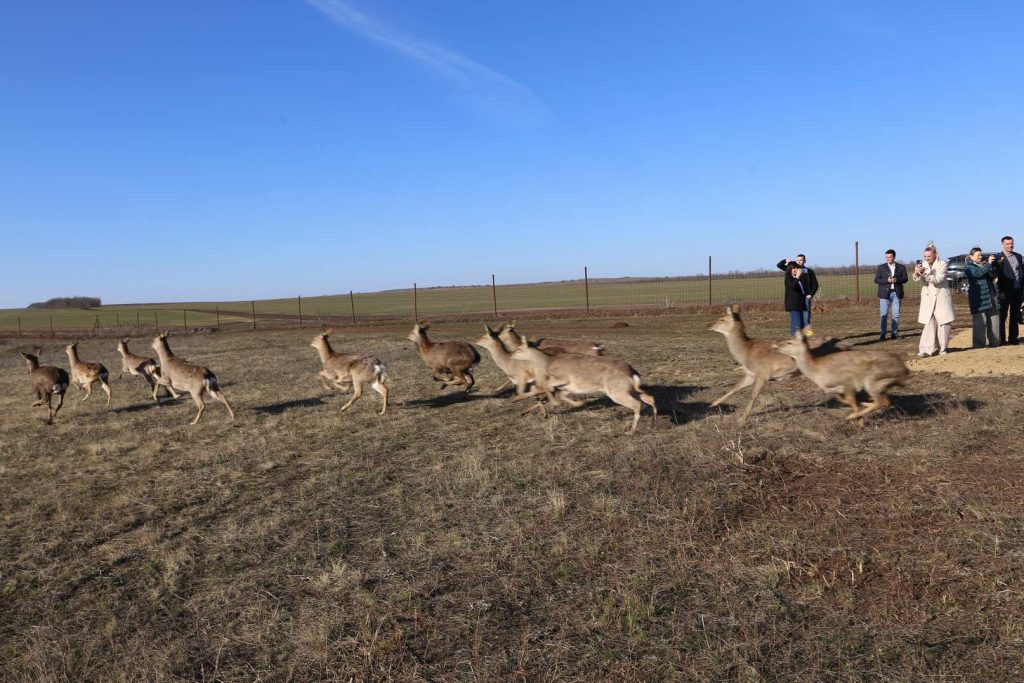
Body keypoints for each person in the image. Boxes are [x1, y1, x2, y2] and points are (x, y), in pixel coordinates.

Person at [913, 243, 954, 357]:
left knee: (943, 324)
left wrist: (925, 274)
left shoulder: (942, 264)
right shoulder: (923, 265)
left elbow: (938, 279)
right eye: (925, 256)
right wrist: (917, 273)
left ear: (935, 255)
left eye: (929, 256)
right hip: (928, 297)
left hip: (941, 297)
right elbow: (916, 278)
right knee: (929, 323)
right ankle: (926, 349)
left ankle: (943, 349)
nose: (926, 259)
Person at [964, 247, 1000, 348]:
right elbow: (978, 274)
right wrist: (988, 264)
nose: (980, 257)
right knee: (980, 325)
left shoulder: (985, 265)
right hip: (979, 300)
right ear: (971, 257)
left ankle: (995, 343)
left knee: (995, 322)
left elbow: (992, 276)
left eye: (981, 255)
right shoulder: (969, 268)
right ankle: (979, 346)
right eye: (978, 255)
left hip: (992, 297)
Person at [993, 235, 1024, 345]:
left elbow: (1021, 274)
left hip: (1017, 290)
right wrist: (1000, 291)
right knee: (1002, 316)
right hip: (1004, 292)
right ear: (1002, 245)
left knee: (1015, 316)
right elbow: (995, 276)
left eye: (1011, 243)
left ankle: (1013, 339)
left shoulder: (1018, 256)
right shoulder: (997, 258)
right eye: (1007, 244)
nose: (1010, 245)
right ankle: (1001, 340)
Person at [777, 255, 818, 334]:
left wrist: (811, 294)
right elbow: (779, 265)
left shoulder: (808, 271)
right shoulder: (792, 269)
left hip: (805, 297)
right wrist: (786, 260)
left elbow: (815, 285)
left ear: (805, 261)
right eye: (797, 260)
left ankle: (808, 334)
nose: (799, 261)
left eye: (801, 260)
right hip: (796, 298)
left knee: (806, 316)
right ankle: (798, 334)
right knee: (797, 318)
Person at [873, 249, 908, 340]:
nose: (888, 259)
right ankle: (883, 334)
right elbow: (876, 280)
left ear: (894, 257)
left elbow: (905, 279)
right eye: (886, 257)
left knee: (895, 314)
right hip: (884, 294)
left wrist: (896, 280)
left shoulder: (901, 267)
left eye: (890, 257)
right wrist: (887, 280)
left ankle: (894, 334)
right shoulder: (881, 267)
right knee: (884, 314)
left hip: (897, 293)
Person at [778, 260, 809, 336]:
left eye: (796, 268)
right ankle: (794, 342)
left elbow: (802, 291)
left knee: (802, 326)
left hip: (800, 306)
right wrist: (785, 260)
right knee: (796, 327)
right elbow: (792, 287)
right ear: (790, 269)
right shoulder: (788, 278)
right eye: (793, 268)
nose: (795, 269)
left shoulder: (798, 278)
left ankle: (802, 341)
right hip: (794, 306)